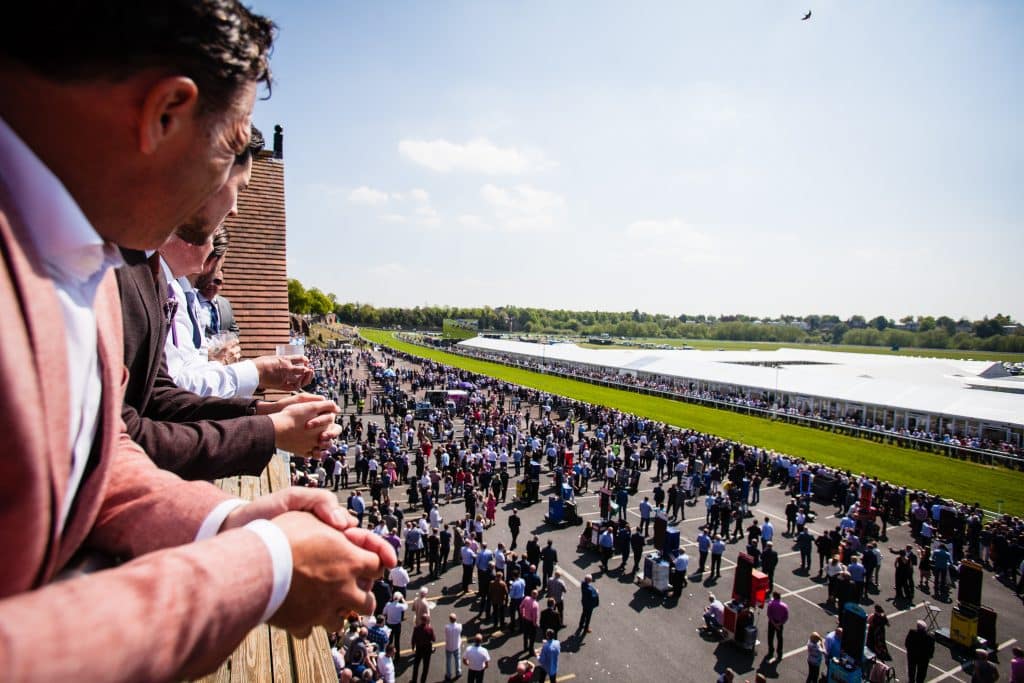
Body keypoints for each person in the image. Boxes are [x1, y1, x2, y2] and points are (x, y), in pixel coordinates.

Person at [0, 3, 397, 680]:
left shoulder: (84, 246)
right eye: (232, 140)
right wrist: (260, 570)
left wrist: (231, 523)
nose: (230, 188)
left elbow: (99, 451)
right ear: (165, 113)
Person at [410, 614, 436, 683]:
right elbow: (433, 639)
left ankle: (414, 680)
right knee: (425, 667)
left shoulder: (416, 628)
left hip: (419, 648)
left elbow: (413, 639)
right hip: (427, 649)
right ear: (427, 620)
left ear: (421, 620)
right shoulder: (430, 629)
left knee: (416, 666)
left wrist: (413, 647)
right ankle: (422, 681)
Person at [766, 591, 789, 660]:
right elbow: (786, 617)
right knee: (779, 638)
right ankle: (779, 653)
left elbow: (769, 614)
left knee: (770, 637)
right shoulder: (784, 606)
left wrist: (773, 623)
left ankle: (771, 651)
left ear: (774, 596)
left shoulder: (771, 604)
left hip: (772, 622)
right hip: (780, 623)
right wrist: (779, 624)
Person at [520, 588, 541, 655]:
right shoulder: (535, 605)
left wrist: (522, 614)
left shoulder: (526, 599)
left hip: (525, 619)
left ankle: (525, 647)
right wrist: (535, 624)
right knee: (532, 637)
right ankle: (531, 651)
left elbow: (521, 607)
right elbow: (535, 616)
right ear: (536, 595)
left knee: (525, 635)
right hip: (531, 622)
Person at [444, 612, 464, 682]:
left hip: (449, 646)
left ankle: (448, 675)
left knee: (448, 661)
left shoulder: (447, 627)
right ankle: (458, 672)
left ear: (450, 619)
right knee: (457, 659)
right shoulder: (459, 626)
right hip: (456, 646)